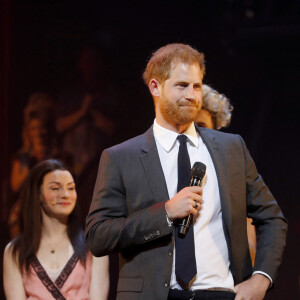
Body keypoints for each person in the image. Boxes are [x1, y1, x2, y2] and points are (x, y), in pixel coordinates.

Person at [85, 43, 287, 300]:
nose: (192, 95)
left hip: (221, 293)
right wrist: (166, 213)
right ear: (155, 87)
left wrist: (260, 280)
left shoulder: (230, 148)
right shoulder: (121, 157)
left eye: (197, 86)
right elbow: (98, 235)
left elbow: (272, 217)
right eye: (182, 85)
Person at [4, 159, 109, 299]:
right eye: (55, 188)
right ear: (38, 195)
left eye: (71, 188)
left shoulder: (94, 247)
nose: (65, 194)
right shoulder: (15, 251)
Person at [195, 84, 256, 265]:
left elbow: (249, 253)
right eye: (188, 125)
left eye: (202, 126)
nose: (195, 133)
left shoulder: (231, 185)